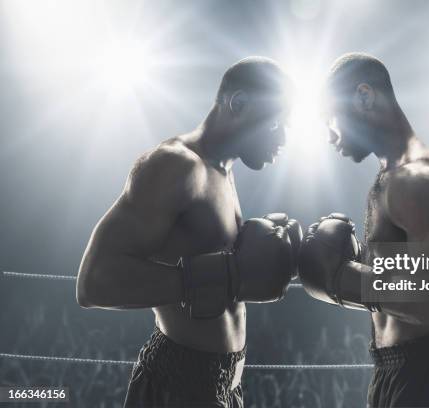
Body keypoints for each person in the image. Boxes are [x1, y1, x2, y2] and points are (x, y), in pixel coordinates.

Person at [76, 56, 302, 408]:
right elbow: (93, 283)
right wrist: (224, 277)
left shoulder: (223, 171)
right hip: (176, 386)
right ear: (239, 103)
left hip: (227, 387)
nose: (285, 138)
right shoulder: (176, 166)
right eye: (278, 123)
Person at [298, 53, 429, 407]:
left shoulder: (414, 179)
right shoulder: (392, 179)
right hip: (396, 370)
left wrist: (346, 280)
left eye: (330, 119)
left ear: (363, 96)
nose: (329, 135)